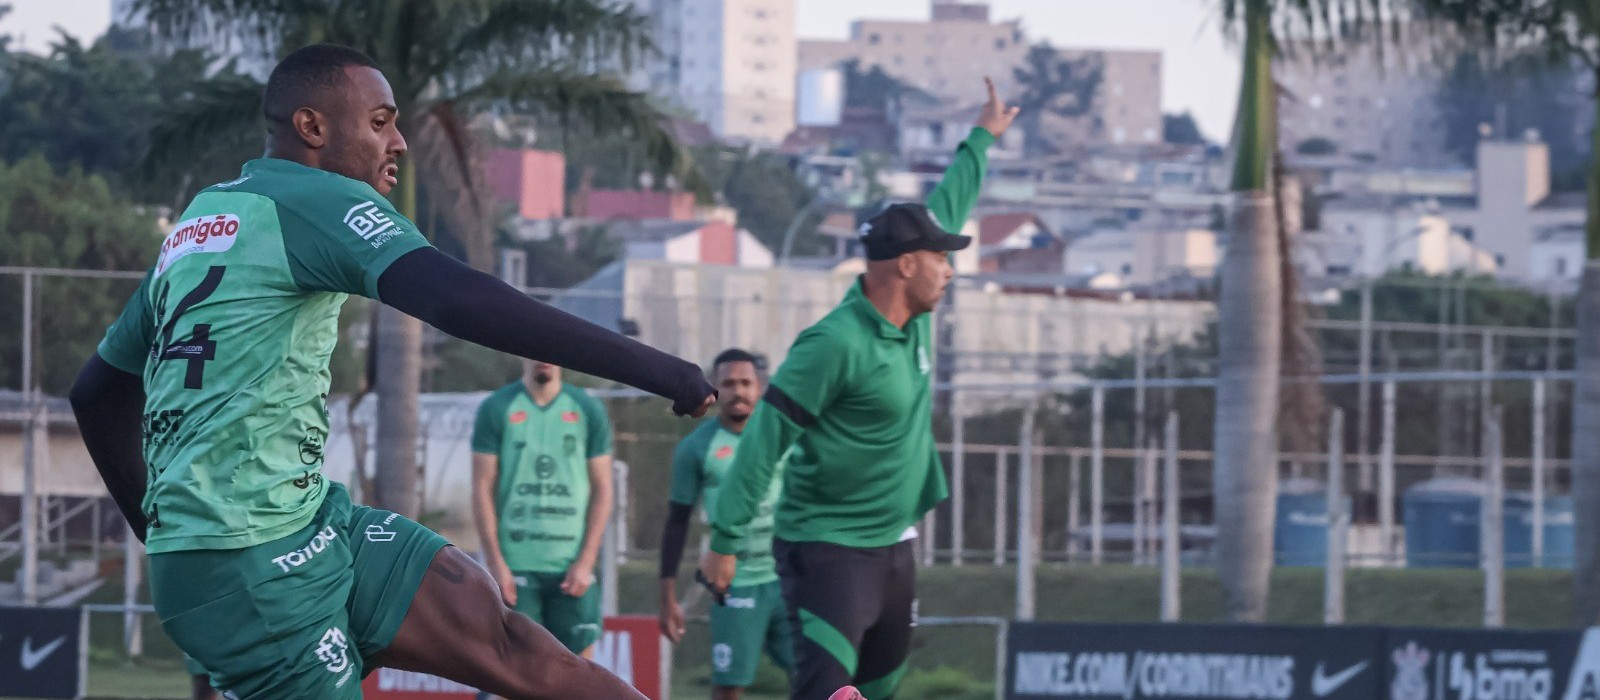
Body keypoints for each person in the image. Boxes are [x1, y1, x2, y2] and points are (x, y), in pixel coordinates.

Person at [68, 43, 714, 700]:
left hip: (308, 526)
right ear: (313, 128)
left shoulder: (202, 220)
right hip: (249, 562)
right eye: (380, 122)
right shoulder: (313, 199)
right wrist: (657, 369)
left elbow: (95, 392)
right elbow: (455, 298)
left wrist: (168, 539)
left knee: (505, 640)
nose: (399, 141)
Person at [697, 79, 1019, 700]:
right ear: (905, 265)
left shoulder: (915, 314)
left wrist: (982, 138)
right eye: (941, 258)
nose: (950, 268)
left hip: (896, 546)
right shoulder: (835, 344)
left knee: (877, 694)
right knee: (826, 692)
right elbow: (764, 436)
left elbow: (948, 205)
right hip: (827, 549)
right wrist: (726, 540)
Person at [659, 349, 793, 700]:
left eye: (746, 383)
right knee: (729, 688)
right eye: (728, 383)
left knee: (816, 678)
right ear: (714, 390)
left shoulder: (783, 435)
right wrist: (667, 595)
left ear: (760, 387)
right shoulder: (696, 448)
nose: (738, 391)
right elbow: (677, 522)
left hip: (789, 580)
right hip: (735, 585)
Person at [471, 361, 613, 659]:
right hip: (516, 567)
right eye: (534, 349)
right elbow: (481, 489)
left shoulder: (587, 409)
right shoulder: (497, 408)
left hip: (571, 568)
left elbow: (603, 489)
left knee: (579, 675)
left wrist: (586, 561)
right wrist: (496, 564)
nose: (542, 357)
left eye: (550, 349)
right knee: (514, 673)